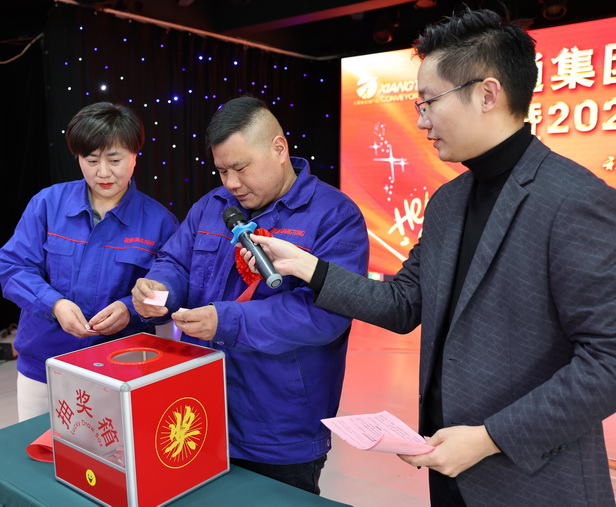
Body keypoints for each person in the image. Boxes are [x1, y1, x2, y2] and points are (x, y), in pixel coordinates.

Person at [242, 8, 616, 507]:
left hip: (535, 482)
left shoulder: (574, 199)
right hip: (445, 468)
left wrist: (489, 439)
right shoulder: (448, 202)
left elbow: (608, 361)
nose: (420, 120)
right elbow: (402, 304)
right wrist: (308, 267)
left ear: (487, 94)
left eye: (429, 102)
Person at [130, 96, 369, 495]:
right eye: (222, 171)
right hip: (198, 411)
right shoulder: (212, 206)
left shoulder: (334, 216)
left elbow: (323, 316)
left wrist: (225, 322)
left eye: (240, 169)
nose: (231, 184)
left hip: (279, 429)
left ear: (279, 149)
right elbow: (176, 261)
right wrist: (159, 289)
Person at [0, 102, 179, 422]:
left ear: (135, 156)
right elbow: (12, 267)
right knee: (37, 446)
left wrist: (131, 309)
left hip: (121, 368)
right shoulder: (47, 204)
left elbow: (170, 292)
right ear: (78, 158)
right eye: (91, 160)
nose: (103, 172)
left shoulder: (160, 222)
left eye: (115, 160)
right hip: (43, 364)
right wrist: (54, 304)